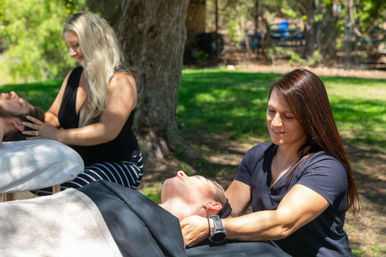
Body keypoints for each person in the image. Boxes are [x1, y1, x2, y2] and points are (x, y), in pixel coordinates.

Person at [181, 69, 361, 257]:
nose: (275, 123)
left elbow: (282, 223)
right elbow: (227, 211)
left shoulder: (327, 169)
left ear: (310, 120)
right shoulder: (257, 156)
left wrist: (213, 227)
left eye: (287, 116)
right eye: (271, 111)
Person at [21, 12, 143, 193]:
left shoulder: (121, 81)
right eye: (69, 46)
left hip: (119, 164)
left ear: (95, 40)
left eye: (76, 45)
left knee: (62, 191)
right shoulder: (74, 76)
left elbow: (106, 131)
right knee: (30, 181)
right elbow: (54, 115)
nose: (71, 53)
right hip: (77, 161)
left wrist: (57, 136)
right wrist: (34, 127)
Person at [0, 171, 231, 257]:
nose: (181, 172)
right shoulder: (130, 202)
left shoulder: (161, 242)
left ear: (212, 206)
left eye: (196, 179)